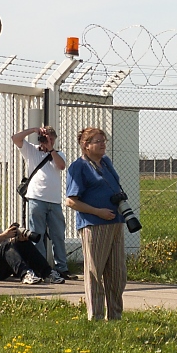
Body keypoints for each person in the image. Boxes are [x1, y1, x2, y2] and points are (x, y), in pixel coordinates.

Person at [65, 127, 127, 321]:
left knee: (117, 273)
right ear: (85, 145)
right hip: (94, 225)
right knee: (95, 271)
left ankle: (115, 315)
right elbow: (71, 200)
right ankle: (96, 316)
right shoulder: (79, 167)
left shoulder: (106, 163)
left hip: (115, 222)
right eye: (97, 141)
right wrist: (97, 211)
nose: (102, 144)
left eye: (104, 140)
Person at [11, 125, 76, 279]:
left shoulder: (59, 154)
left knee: (58, 235)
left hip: (54, 201)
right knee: (37, 235)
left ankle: (62, 268)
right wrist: (33, 130)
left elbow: (61, 166)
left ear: (54, 140)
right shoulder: (32, 150)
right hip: (36, 199)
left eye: (50, 139)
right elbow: (15, 138)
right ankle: (41, 268)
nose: (47, 141)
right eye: (45, 138)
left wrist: (51, 149)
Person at [0, 200, 65, 285]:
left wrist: (19, 240)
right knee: (6, 246)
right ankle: (25, 274)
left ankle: (48, 273)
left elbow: (9, 246)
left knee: (22, 244)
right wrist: (4, 235)